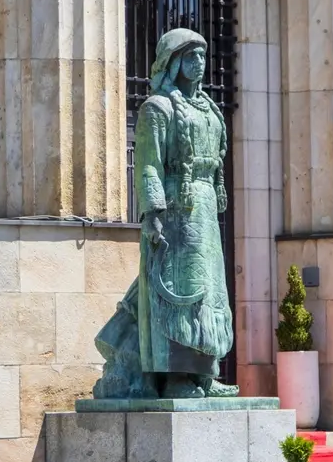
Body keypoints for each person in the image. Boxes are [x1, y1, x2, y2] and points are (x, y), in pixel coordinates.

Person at [91, 28, 238, 400]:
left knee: (208, 293)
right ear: (173, 62)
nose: (199, 63)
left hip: (204, 209)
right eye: (190, 56)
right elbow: (148, 164)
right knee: (176, 292)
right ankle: (174, 378)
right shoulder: (157, 108)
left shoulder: (209, 109)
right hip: (174, 208)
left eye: (202, 55)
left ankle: (203, 375)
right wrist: (153, 212)